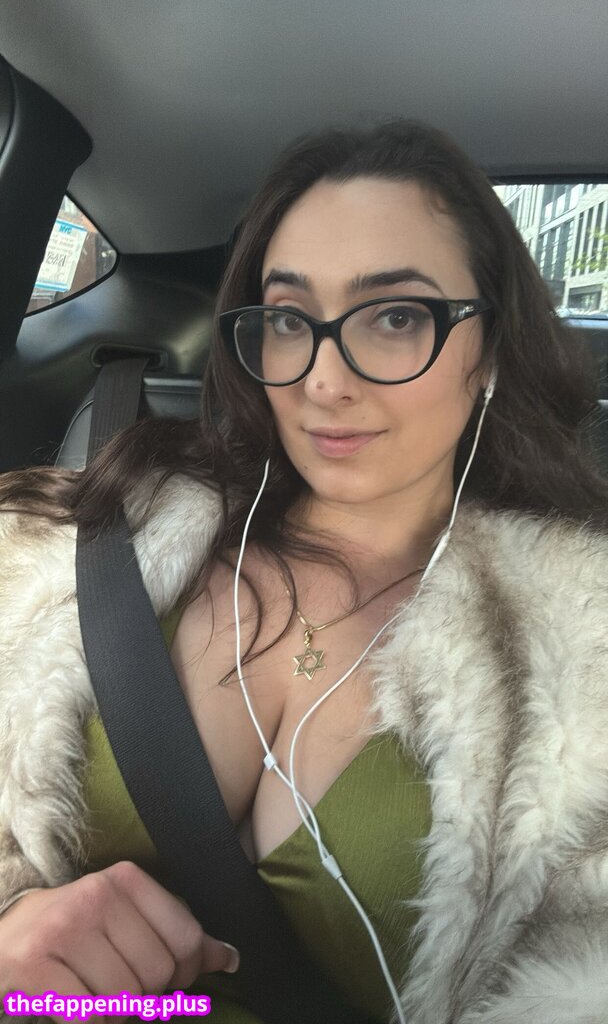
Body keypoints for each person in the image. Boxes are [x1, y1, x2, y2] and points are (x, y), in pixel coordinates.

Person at [1, 118, 608, 1024]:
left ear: (489, 345)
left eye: (396, 316)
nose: (325, 380)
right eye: (290, 319)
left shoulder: (583, 648)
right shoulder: (78, 538)